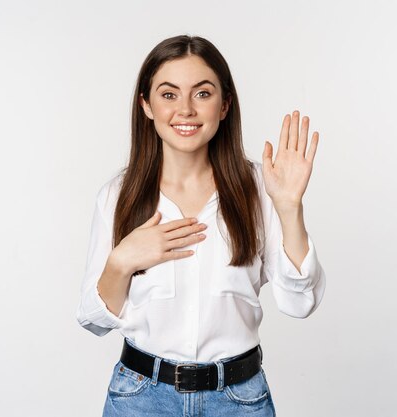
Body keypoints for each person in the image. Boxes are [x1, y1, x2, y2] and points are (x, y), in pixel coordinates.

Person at [76, 34, 326, 417]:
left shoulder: (261, 189)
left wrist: (290, 207)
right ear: (146, 105)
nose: (186, 110)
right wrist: (121, 262)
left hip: (238, 399)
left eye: (203, 94)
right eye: (169, 94)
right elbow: (94, 319)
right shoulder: (117, 196)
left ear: (224, 105)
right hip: (141, 399)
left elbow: (299, 302)